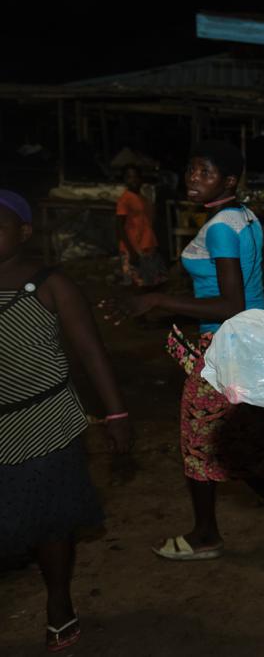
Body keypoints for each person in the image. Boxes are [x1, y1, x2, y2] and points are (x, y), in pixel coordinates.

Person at [123, 141, 264, 567]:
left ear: (229, 181)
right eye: (192, 169)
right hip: (248, 341)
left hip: (227, 347)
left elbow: (231, 303)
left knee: (199, 441)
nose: (193, 177)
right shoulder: (244, 218)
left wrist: (161, 301)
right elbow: (252, 288)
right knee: (238, 438)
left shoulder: (218, 228)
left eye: (205, 172)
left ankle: (206, 535)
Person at [0, 190, 132, 651]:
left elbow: (92, 354)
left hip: (47, 421)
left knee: (51, 520)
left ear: (24, 232)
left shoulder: (52, 285)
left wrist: (116, 413)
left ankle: (59, 601)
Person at [115, 165, 166, 287]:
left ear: (141, 179)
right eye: (129, 177)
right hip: (133, 248)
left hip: (148, 246)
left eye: (135, 177)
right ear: (124, 180)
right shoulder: (125, 199)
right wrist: (131, 252)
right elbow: (119, 227)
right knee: (136, 285)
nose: (133, 180)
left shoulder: (143, 199)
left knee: (152, 284)